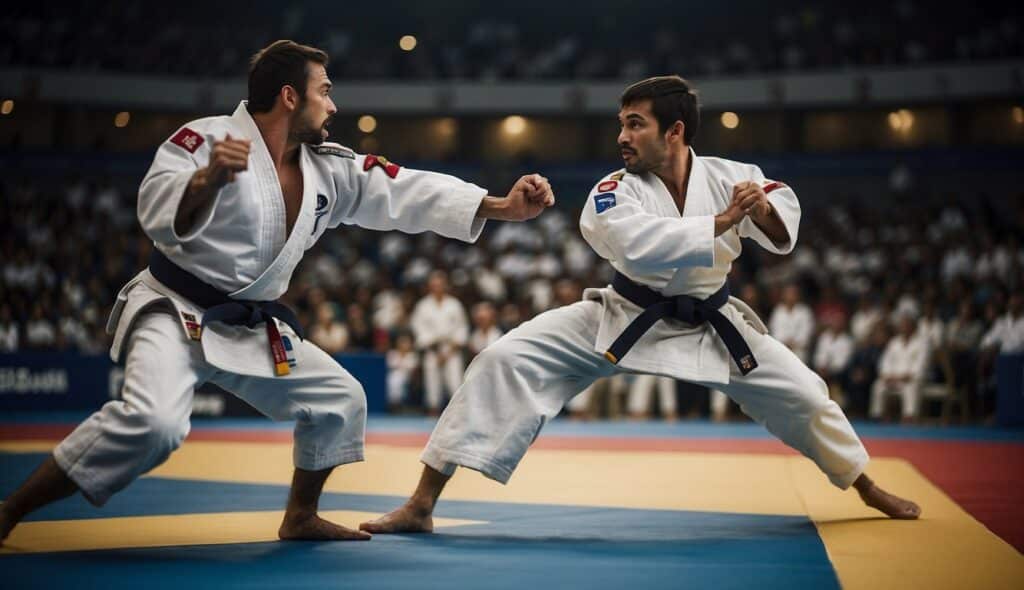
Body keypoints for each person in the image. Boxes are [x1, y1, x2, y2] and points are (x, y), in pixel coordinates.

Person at [0, 40, 554, 546]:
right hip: (175, 312)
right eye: (325, 92)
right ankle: (12, 509)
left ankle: (300, 515)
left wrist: (498, 206)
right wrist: (207, 182)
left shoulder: (326, 167)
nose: (333, 106)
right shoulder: (205, 140)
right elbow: (156, 213)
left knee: (341, 400)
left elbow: (401, 186)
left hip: (248, 325)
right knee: (155, 425)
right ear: (290, 97)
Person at [361, 75, 919, 536]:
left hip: (711, 322)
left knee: (804, 395)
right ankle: (422, 503)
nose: (622, 137)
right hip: (622, 317)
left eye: (635, 124)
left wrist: (761, 212)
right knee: (501, 359)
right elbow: (635, 243)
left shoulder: (733, 176)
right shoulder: (613, 189)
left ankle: (867, 486)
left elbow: (781, 222)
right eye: (621, 124)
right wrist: (724, 221)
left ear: (673, 132)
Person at [410, 270, 470, 415]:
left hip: (451, 349)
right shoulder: (423, 305)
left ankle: (458, 415)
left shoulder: (454, 304)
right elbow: (418, 329)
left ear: (445, 286)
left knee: (455, 382)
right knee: (432, 384)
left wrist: (450, 350)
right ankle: (433, 412)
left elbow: (462, 328)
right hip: (432, 350)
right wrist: (434, 349)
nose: (437, 287)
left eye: (440, 285)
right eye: (434, 285)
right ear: (430, 286)